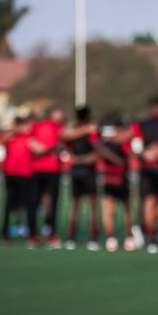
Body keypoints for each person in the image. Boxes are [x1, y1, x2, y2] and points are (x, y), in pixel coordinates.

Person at [130, 96, 158, 253]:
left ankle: (145, 227)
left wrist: (157, 152)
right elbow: (136, 147)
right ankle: (151, 237)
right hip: (150, 170)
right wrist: (150, 154)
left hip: (157, 169)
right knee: (150, 201)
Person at [1, 116, 46, 247]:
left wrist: (52, 147)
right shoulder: (11, 137)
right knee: (9, 204)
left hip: (26, 176)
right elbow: (3, 139)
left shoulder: (29, 139)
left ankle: (32, 234)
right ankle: (5, 233)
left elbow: (40, 148)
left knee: (30, 206)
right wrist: (16, 129)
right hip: (11, 175)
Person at [62, 106, 102, 251]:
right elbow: (97, 152)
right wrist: (84, 159)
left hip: (75, 171)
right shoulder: (91, 131)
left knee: (75, 206)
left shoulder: (72, 130)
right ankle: (93, 238)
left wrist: (76, 160)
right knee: (92, 206)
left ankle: (71, 238)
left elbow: (68, 151)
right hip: (88, 171)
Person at [99, 117, 137, 252]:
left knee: (112, 211)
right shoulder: (123, 143)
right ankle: (127, 238)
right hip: (119, 180)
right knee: (125, 211)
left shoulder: (105, 143)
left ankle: (112, 239)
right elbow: (130, 156)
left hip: (110, 179)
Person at [32, 106, 65, 248]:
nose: (61, 118)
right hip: (42, 169)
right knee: (38, 202)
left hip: (51, 170)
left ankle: (45, 232)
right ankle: (37, 233)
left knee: (48, 202)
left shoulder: (57, 127)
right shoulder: (40, 126)